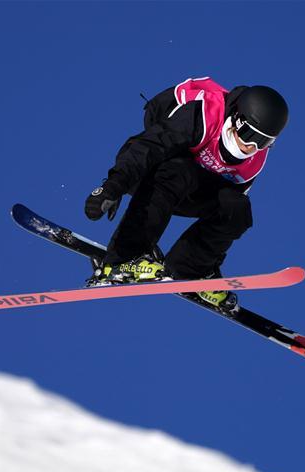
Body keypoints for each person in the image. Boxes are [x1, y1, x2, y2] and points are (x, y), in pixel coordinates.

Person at [83, 76, 288, 310]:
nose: (253, 147)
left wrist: (211, 259)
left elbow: (223, 217)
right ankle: (122, 259)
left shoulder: (253, 161)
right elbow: (148, 147)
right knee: (181, 171)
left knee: (238, 207)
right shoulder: (204, 115)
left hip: (189, 189)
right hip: (149, 170)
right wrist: (113, 186)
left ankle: (192, 270)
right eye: (252, 136)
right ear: (238, 121)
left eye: (265, 142)